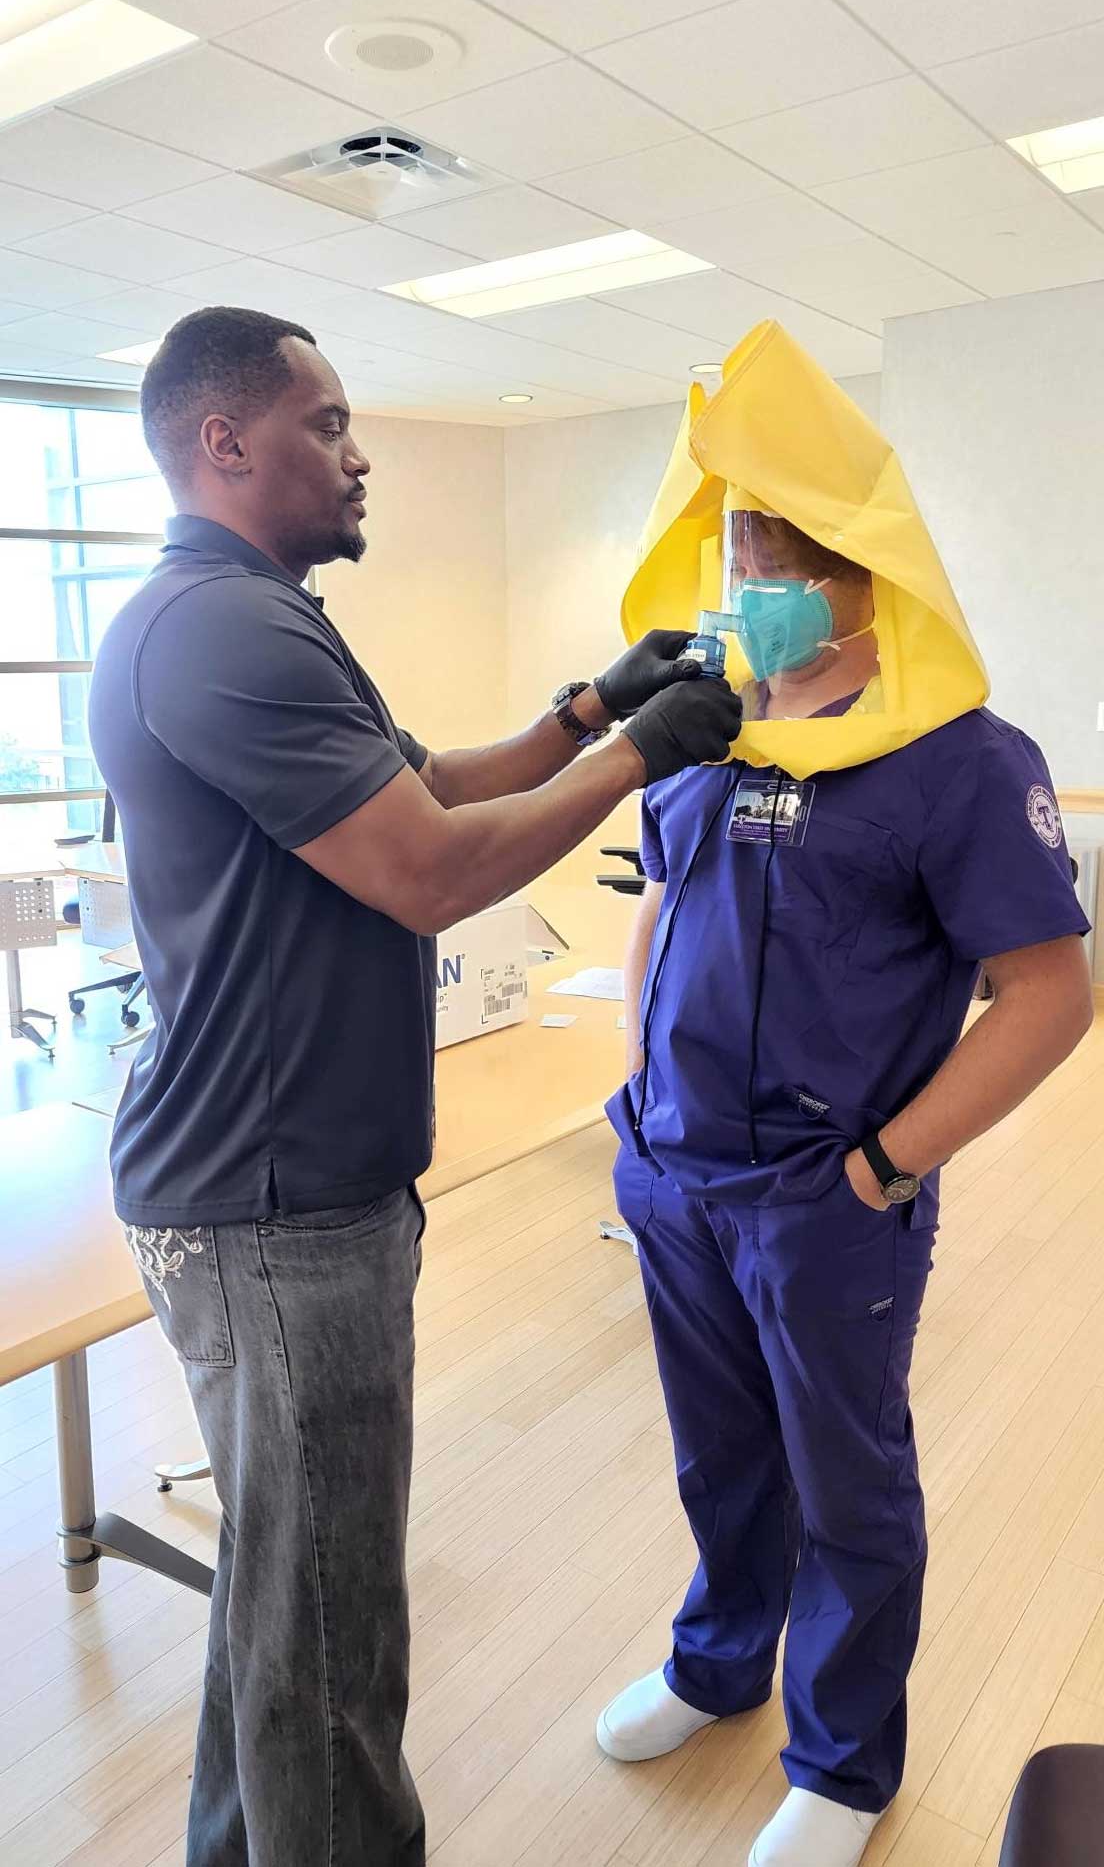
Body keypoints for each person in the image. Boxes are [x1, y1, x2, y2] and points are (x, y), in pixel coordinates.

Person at [88, 305, 743, 1867]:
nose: (358, 450)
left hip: (278, 1187)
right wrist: (645, 754)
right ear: (223, 442)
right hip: (271, 1206)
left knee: (279, 1600)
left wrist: (589, 709)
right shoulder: (221, 628)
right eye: (325, 423)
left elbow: (426, 784)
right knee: (328, 1636)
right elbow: (431, 870)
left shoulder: (258, 612)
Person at [596, 332, 1093, 1867]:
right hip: (674, 1177)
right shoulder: (708, 727)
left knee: (845, 1476)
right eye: (741, 545)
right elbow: (659, 900)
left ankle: (844, 1762)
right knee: (718, 1447)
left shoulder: (958, 761)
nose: (754, 577)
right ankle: (717, 1661)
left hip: (826, 1199)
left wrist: (882, 1165)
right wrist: (637, 1097)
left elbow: (1052, 994)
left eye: (788, 550)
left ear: (870, 571)